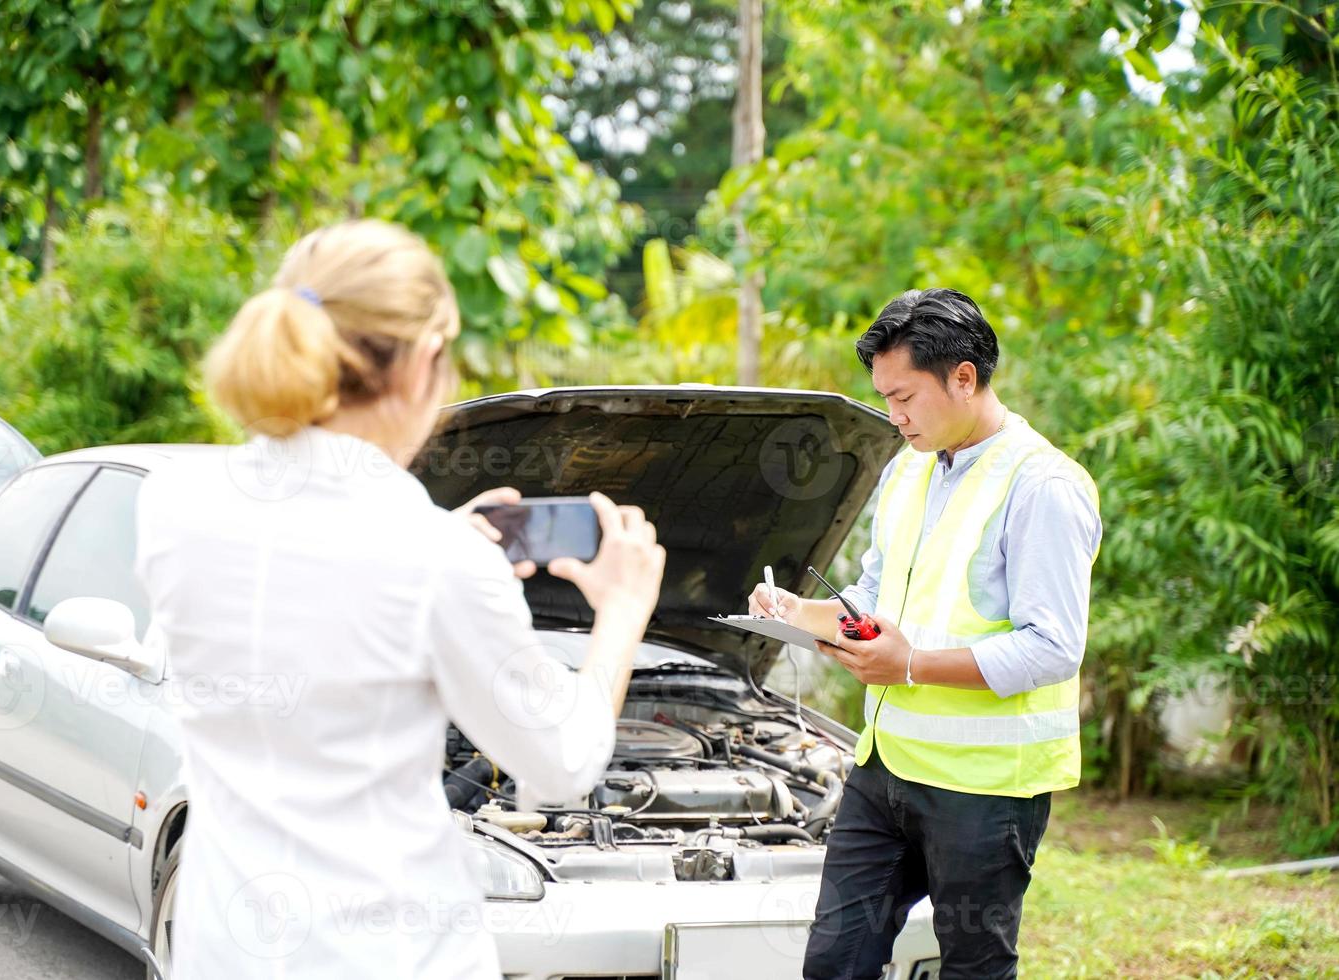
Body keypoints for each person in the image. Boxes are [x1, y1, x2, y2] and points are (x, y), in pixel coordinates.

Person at [134, 219, 666, 978]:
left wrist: (444, 546)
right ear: (422, 361)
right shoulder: (433, 560)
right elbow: (562, 763)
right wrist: (620, 612)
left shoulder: (171, 507)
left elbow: (307, 592)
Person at [749, 288, 1101, 980]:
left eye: (905, 396)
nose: (893, 415)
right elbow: (874, 601)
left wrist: (909, 666)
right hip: (884, 773)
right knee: (833, 964)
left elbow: (1053, 646)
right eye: (884, 397)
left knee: (971, 967)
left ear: (963, 378)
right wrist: (794, 612)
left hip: (985, 791)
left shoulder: (1044, 487)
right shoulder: (905, 470)